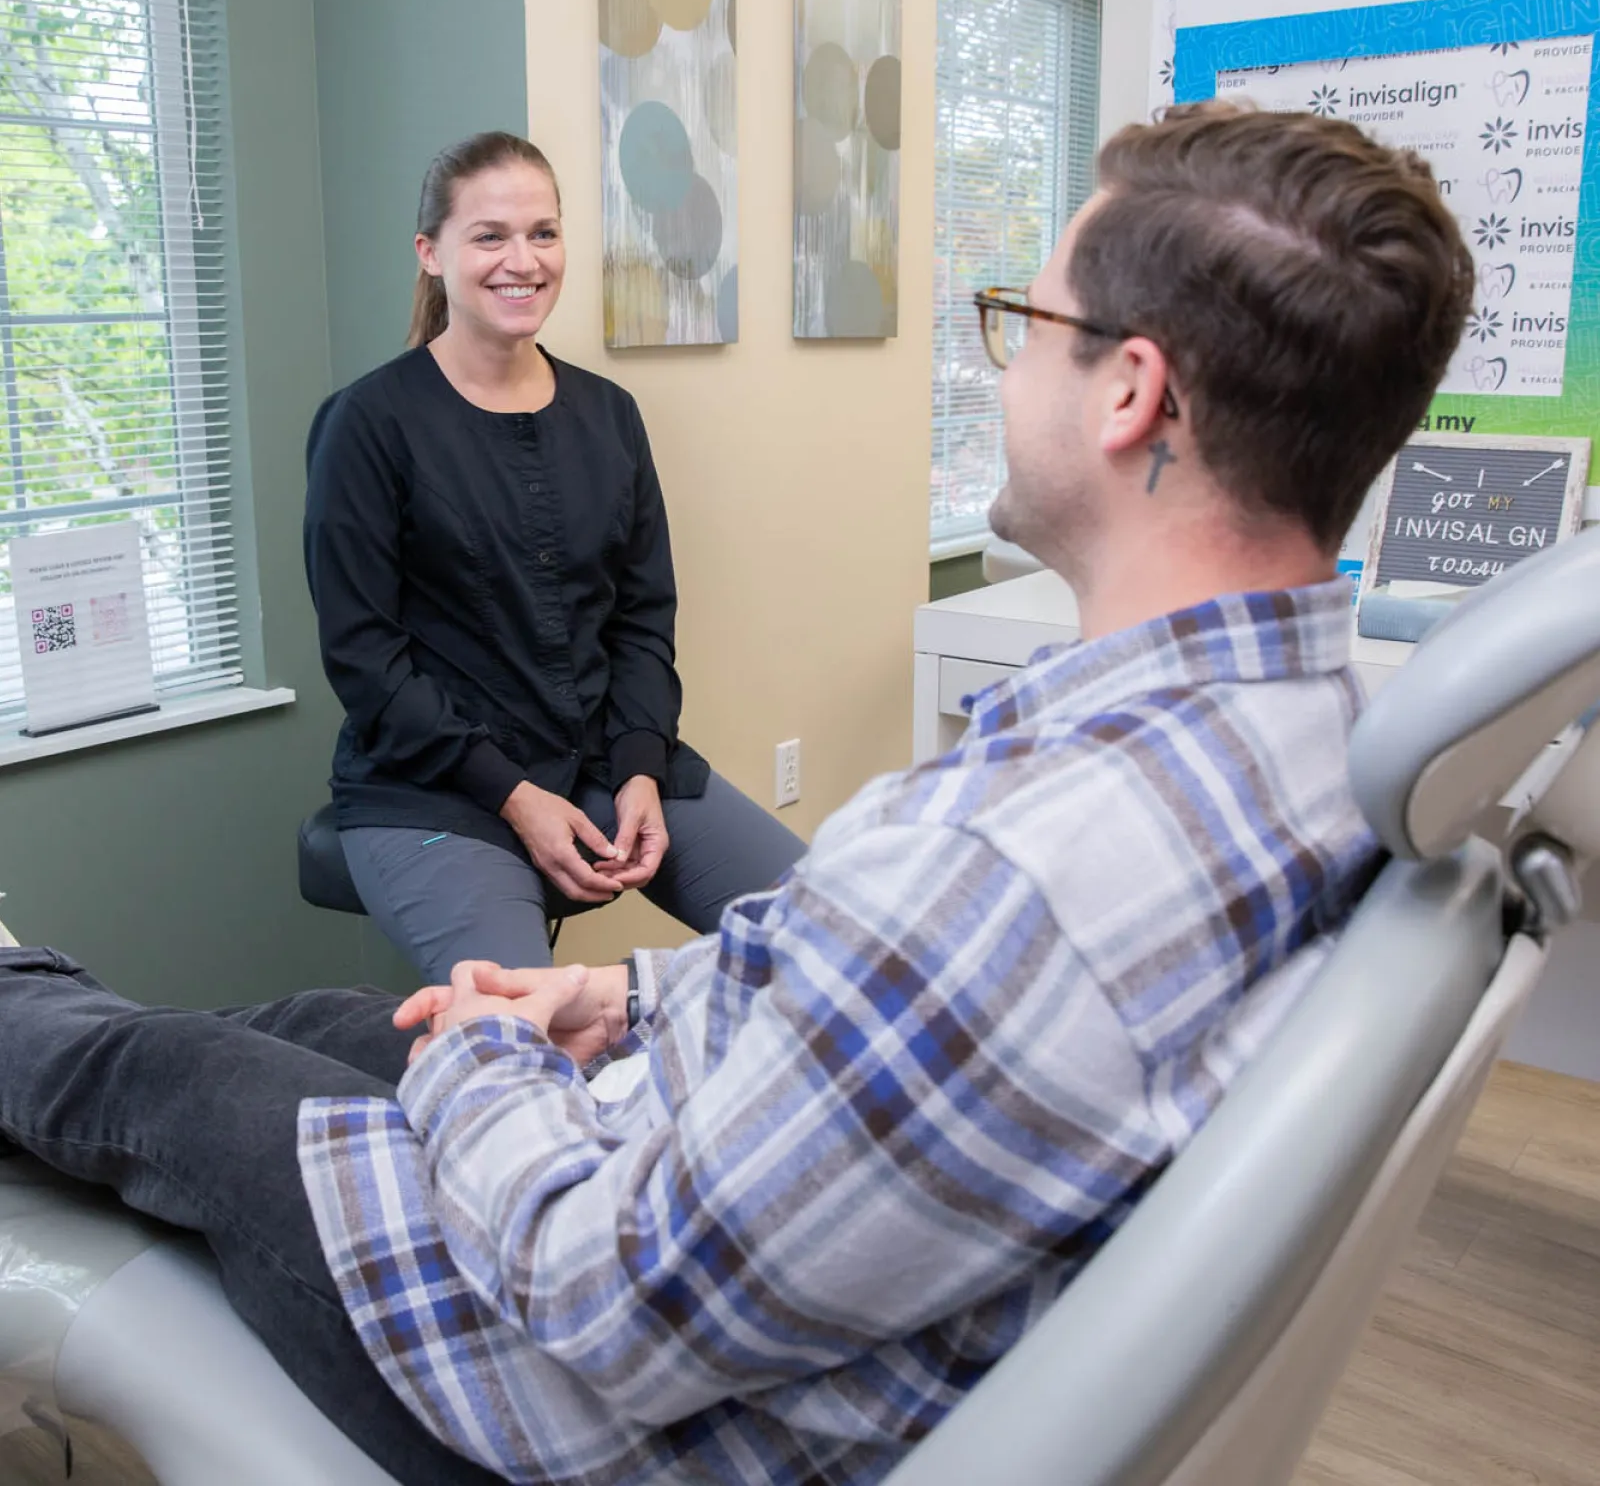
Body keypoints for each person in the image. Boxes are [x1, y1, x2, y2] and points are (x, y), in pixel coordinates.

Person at [0, 102, 1474, 1485]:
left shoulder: (1016, 875)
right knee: (318, 1030)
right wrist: (620, 1009)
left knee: (182, 1081)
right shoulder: (1326, 736)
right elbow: (838, 967)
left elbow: (598, 1286)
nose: (1003, 364)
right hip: (481, 843)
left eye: (1025, 326)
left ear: (1131, 394)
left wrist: (494, 1064)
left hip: (565, 1388)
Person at [304, 131, 804, 982]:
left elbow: (644, 622)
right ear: (431, 254)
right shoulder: (369, 424)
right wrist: (515, 795)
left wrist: (643, 771)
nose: (522, 260)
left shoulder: (610, 416)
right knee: (522, 1037)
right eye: (489, 236)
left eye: (543, 232)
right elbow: (365, 661)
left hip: (605, 763)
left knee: (838, 937)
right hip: (439, 788)